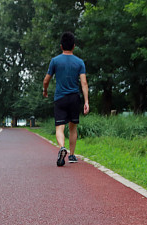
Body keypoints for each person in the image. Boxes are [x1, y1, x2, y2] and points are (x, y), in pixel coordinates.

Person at [43, 32, 90, 167]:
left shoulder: (55, 61)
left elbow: (46, 80)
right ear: (74, 46)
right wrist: (86, 101)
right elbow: (84, 83)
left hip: (60, 98)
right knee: (73, 128)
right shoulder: (80, 62)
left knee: (60, 127)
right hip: (74, 98)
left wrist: (45, 90)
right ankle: (72, 155)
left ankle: (62, 147)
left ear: (61, 46)